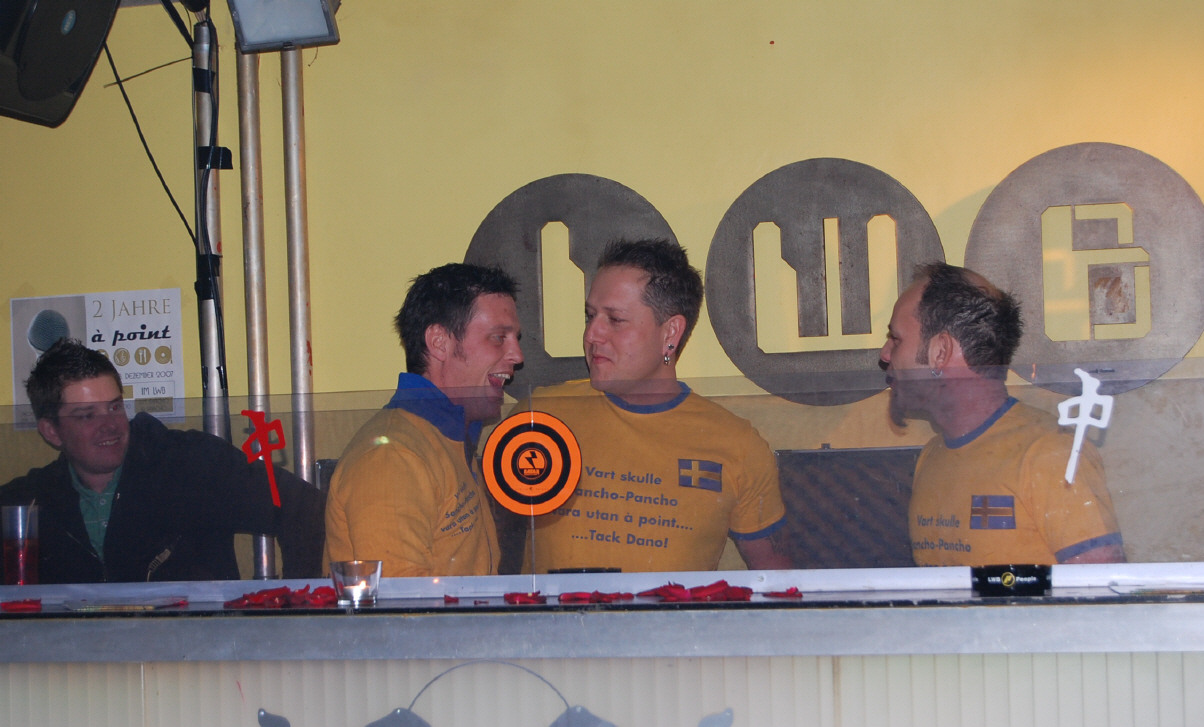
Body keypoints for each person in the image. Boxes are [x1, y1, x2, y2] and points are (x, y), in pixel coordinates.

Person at [520, 238, 792, 573]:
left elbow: (777, 577)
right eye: (590, 316)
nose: (592, 334)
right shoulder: (538, 417)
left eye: (615, 319)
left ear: (671, 333)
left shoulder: (738, 445)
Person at [0, 339, 325, 583]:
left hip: (197, 652)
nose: (110, 425)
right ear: (51, 431)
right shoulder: (25, 503)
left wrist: (296, 606)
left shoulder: (192, 464)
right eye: (87, 415)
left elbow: (304, 507)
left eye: (115, 407)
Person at [879, 263, 1125, 566]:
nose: (885, 354)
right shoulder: (932, 456)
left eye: (896, 339)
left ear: (940, 351)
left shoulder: (1051, 453)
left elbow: (1102, 589)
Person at [323, 263, 522, 577]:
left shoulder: (447, 440)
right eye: (498, 337)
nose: (517, 355)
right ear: (439, 342)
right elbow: (400, 601)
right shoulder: (393, 458)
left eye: (515, 338)